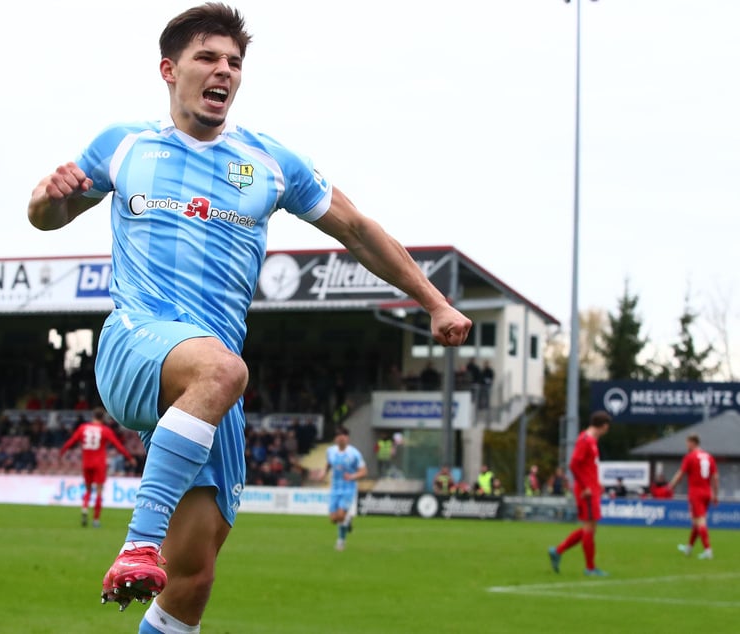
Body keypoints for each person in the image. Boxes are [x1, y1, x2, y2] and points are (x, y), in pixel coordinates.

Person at [27, 3, 472, 629]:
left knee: (194, 575)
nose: (224, 72)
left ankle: (154, 568)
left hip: (210, 389)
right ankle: (136, 542)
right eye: (208, 58)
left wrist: (434, 299)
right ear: (168, 69)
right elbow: (48, 216)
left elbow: (358, 230)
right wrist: (48, 197)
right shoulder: (123, 145)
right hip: (138, 343)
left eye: (234, 62)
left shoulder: (268, 162)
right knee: (221, 371)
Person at [548, 411, 611, 576]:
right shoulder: (585, 440)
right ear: (603, 426)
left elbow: (588, 467)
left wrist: (597, 483)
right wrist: (585, 487)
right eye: (607, 428)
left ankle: (558, 551)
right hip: (586, 492)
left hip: (591, 488)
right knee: (589, 528)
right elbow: (574, 465)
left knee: (590, 528)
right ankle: (589, 568)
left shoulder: (590, 440)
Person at [60, 408, 135, 528]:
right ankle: (95, 520)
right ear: (103, 418)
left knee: (88, 490)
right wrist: (129, 457)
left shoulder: (83, 428)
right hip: (99, 463)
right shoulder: (105, 430)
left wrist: (62, 451)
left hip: (86, 462)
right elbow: (117, 445)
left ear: (93, 416)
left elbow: (72, 441)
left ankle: (84, 508)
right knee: (99, 491)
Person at [667, 434, 719, 560]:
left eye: (687, 443)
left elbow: (681, 473)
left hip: (696, 493)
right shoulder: (709, 457)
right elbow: (715, 477)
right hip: (707, 492)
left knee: (700, 521)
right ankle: (688, 548)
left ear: (692, 442)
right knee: (696, 522)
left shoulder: (690, 457)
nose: (686, 445)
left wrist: (671, 486)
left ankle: (708, 550)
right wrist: (715, 494)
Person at [316, 426, 367, 551]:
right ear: (335, 438)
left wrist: (353, 476)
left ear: (347, 438)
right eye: (339, 435)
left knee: (340, 516)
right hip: (335, 488)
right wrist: (324, 472)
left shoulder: (354, 453)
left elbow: (364, 471)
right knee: (333, 519)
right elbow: (328, 463)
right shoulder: (330, 451)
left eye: (343, 435)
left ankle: (341, 541)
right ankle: (347, 520)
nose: (341, 438)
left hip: (348, 488)